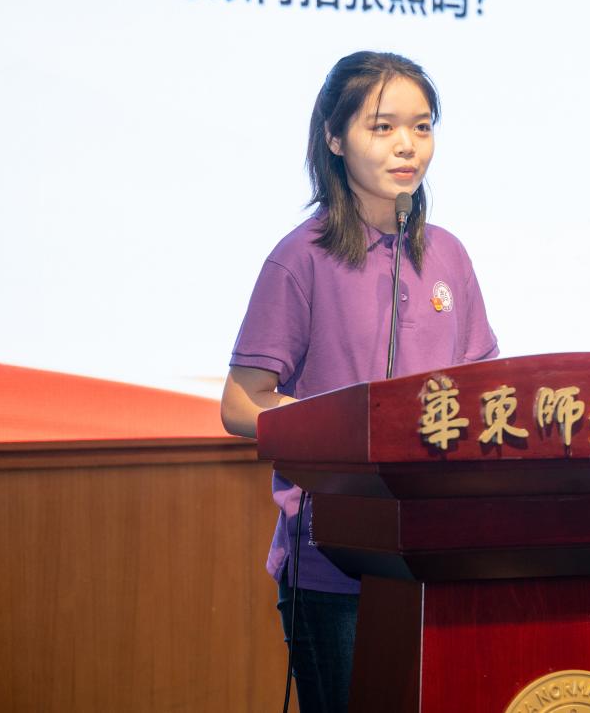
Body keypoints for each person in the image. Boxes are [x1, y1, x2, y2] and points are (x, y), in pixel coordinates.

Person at [219, 51, 499, 713]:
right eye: (383, 126)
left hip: (440, 551)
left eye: (422, 126)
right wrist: (344, 430)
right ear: (335, 138)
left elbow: (485, 392)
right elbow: (240, 403)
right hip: (335, 560)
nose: (408, 145)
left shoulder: (449, 254)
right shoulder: (301, 257)